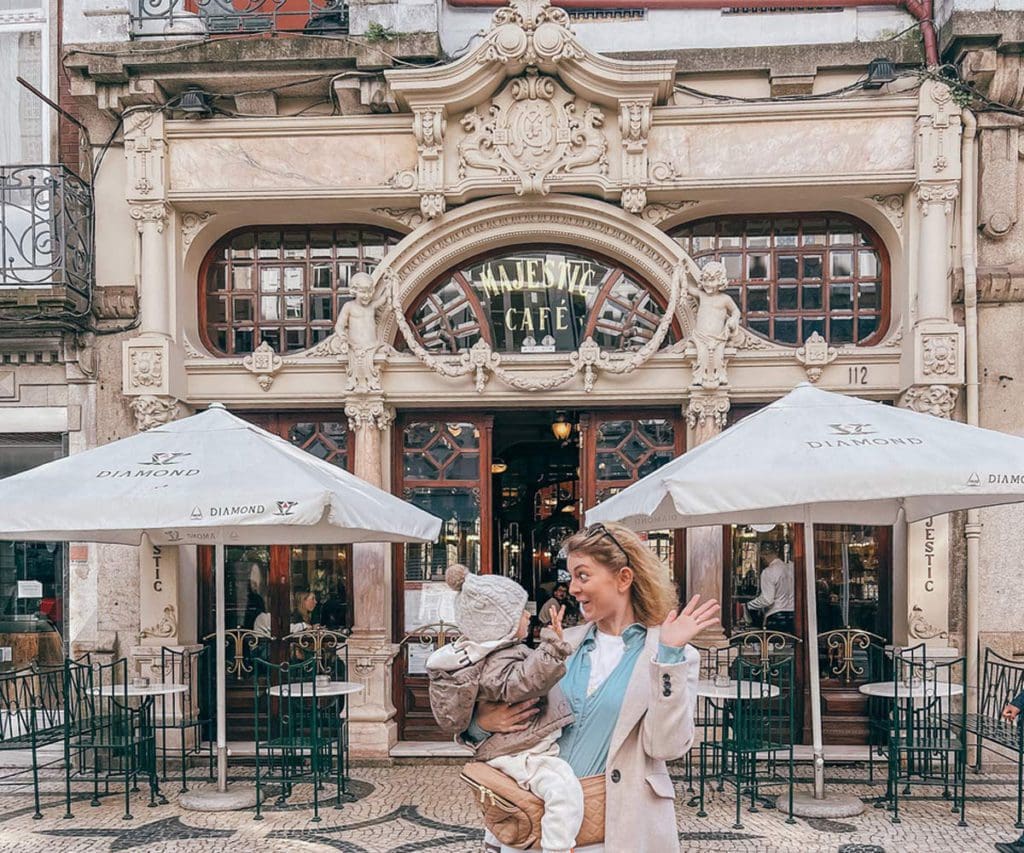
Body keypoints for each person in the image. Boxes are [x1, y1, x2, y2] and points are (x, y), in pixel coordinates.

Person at [453, 521, 720, 853]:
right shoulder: (562, 645)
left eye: (583, 576)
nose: (573, 588)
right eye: (571, 577)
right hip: (540, 822)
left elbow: (666, 747)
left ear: (624, 578)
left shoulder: (669, 654)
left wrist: (669, 655)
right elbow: (513, 717)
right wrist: (482, 726)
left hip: (614, 831)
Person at [427, 565, 581, 853]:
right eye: (521, 611)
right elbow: (523, 682)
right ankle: (558, 846)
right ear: (502, 624)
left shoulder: (494, 656)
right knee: (563, 790)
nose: (528, 615)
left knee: (520, 797)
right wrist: (553, 647)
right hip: (520, 750)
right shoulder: (499, 660)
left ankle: (496, 841)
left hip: (518, 747)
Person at [746, 542, 795, 633]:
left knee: (774, 644)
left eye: (761, 556)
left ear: (764, 555)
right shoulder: (791, 568)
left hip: (776, 616)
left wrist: (749, 605)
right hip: (794, 615)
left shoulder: (768, 572)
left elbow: (767, 599)